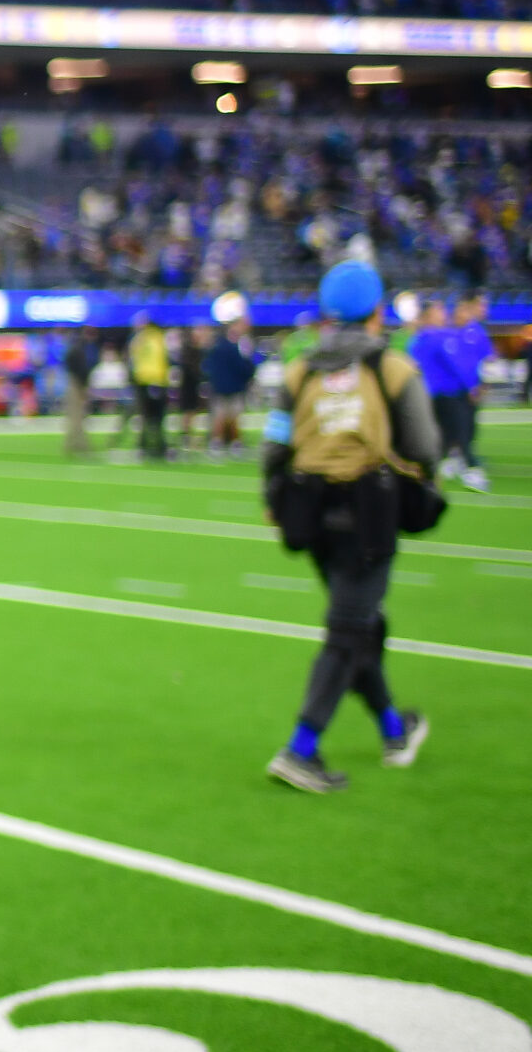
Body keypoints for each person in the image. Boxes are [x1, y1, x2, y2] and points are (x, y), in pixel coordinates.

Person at [262, 261, 438, 794]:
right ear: (377, 312)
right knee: (348, 631)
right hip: (369, 511)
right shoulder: (393, 369)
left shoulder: (299, 371)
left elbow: (274, 445)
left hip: (312, 512)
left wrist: (274, 499)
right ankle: (300, 748)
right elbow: (426, 446)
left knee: (361, 625)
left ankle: (393, 728)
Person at [417, 293, 493, 493]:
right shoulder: (441, 337)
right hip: (450, 393)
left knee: (443, 434)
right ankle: (471, 470)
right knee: (462, 432)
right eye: (438, 311)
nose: (443, 314)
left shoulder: (419, 339)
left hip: (432, 394)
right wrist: (472, 386)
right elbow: (457, 365)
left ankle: (445, 464)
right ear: (428, 316)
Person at [200, 316, 259, 462]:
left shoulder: (223, 344)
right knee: (225, 416)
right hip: (229, 386)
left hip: (225, 386)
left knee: (229, 417)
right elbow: (244, 366)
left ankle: (225, 444)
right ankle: (226, 444)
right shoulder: (234, 344)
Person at [127, 314, 170, 461]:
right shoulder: (158, 338)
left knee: (145, 416)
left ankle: (145, 445)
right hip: (156, 381)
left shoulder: (140, 339)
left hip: (143, 381)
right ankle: (158, 446)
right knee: (157, 418)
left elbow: (133, 359)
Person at [59, 327, 97, 457]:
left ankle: (74, 444)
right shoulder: (81, 347)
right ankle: (78, 444)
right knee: (77, 416)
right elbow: (78, 366)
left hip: (79, 383)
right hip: (77, 383)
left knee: (77, 416)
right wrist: (82, 383)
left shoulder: (81, 346)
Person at [174, 324, 209, 457]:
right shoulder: (190, 350)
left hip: (192, 385)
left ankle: (189, 437)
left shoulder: (196, 350)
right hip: (189, 386)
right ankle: (186, 437)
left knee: (193, 412)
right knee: (188, 412)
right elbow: (192, 369)